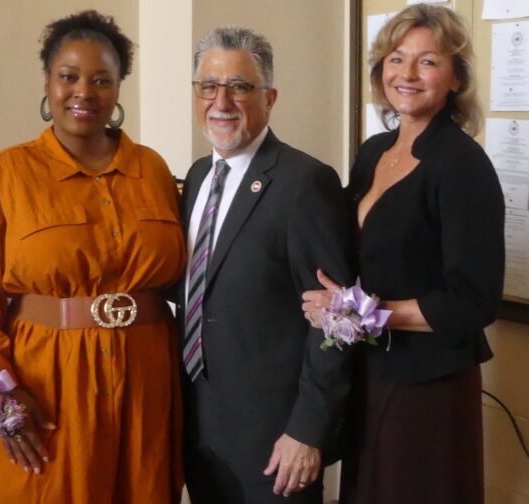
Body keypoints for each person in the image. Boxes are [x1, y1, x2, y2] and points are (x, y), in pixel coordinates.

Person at [0, 10, 185, 503]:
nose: (84, 92)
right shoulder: (6, 174)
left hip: (145, 384)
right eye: (69, 77)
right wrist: (3, 396)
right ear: (48, 83)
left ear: (118, 89)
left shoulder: (153, 170)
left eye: (101, 80)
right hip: (45, 385)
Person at [302, 5, 504, 503]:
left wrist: (361, 315)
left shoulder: (463, 165)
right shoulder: (375, 150)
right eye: (396, 58)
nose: (407, 74)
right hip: (370, 371)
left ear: (457, 78)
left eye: (428, 61)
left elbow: (473, 301)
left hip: (429, 385)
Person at [178, 26, 354, 503]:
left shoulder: (305, 183)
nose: (221, 102)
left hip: (276, 443)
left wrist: (308, 430)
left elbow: (337, 321)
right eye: (209, 86)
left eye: (239, 87)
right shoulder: (197, 177)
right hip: (201, 432)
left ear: (269, 98)